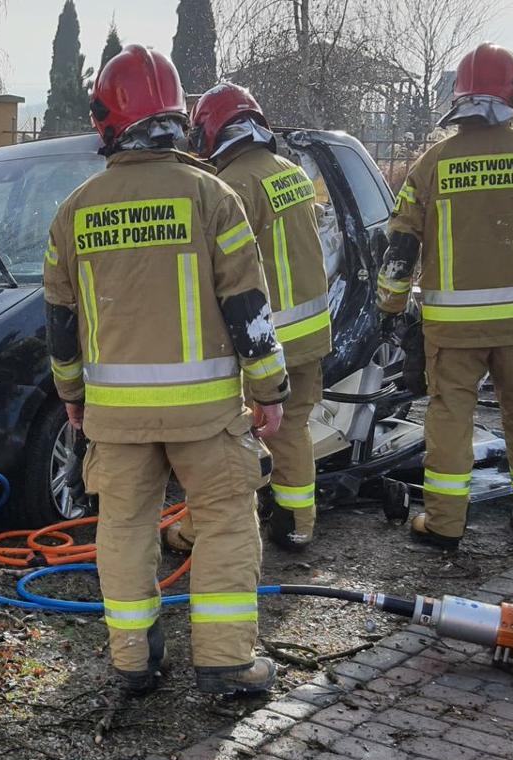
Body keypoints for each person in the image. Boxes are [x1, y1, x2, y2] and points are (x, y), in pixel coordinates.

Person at [45, 44, 289, 696]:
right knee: (228, 522)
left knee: (122, 530)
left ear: (109, 121)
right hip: (206, 415)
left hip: (116, 417)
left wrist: (72, 395)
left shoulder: (75, 212)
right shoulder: (212, 198)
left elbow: (61, 324)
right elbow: (249, 309)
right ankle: (227, 663)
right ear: (178, 117)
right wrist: (269, 391)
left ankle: (133, 664)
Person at [379, 43, 513, 550]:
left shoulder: (432, 163)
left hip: (453, 329)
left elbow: (401, 244)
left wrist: (389, 308)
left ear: (462, 98)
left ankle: (446, 524)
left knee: (450, 420)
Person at [167, 82, 331, 551]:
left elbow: (218, 271)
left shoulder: (232, 184)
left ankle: (201, 531)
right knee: (293, 428)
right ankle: (297, 524)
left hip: (262, 338)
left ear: (213, 131)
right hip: (309, 334)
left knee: (227, 435)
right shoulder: (291, 172)